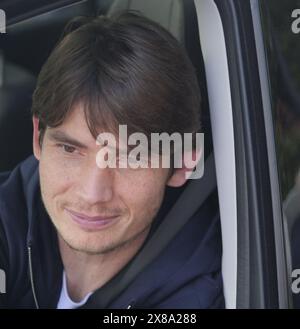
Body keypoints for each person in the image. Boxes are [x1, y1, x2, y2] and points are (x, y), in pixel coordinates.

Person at [0, 12, 224, 309]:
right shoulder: (8, 214)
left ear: (184, 162)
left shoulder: (203, 294)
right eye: (70, 149)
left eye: (131, 157)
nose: (92, 194)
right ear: (37, 138)